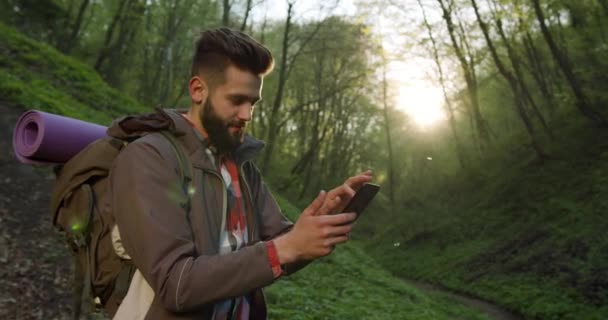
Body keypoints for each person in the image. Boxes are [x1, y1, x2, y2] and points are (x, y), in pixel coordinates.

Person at [107, 27, 373, 319]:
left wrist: (318, 224)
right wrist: (285, 248)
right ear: (198, 90)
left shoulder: (242, 166)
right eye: (237, 100)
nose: (247, 115)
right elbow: (176, 283)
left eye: (253, 103)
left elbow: (285, 245)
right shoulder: (149, 157)